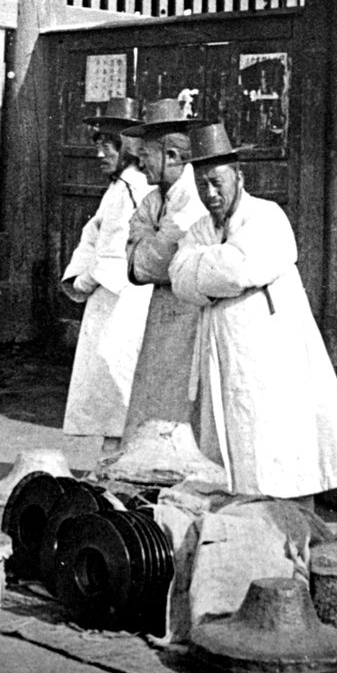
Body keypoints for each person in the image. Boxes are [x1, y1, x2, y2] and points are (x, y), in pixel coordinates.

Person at [169, 122, 337, 500]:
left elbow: (239, 268)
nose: (210, 194)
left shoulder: (267, 216)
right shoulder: (200, 228)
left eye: (217, 182)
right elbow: (179, 277)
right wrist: (213, 266)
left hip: (270, 358)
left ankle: (288, 520)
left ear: (239, 177)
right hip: (223, 356)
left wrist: (204, 268)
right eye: (201, 185)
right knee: (237, 450)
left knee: (279, 448)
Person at [60, 97, 153, 453]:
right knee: (110, 377)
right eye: (97, 144)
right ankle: (112, 454)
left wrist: (83, 281)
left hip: (122, 296)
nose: (100, 153)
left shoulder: (132, 188)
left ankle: (117, 457)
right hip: (113, 296)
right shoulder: (119, 186)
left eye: (108, 146)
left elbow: (114, 250)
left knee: (116, 373)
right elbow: (95, 235)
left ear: (127, 147)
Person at [115, 97, 207, 439]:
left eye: (147, 154)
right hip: (165, 307)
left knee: (180, 395)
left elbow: (158, 259)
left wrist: (146, 244)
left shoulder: (192, 197)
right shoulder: (156, 198)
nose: (140, 161)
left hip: (190, 311)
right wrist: (146, 244)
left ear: (172, 155)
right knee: (158, 387)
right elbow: (135, 243)